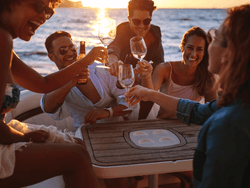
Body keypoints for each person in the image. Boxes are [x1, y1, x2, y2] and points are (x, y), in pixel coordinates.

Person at [125, 4, 250, 188]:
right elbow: (197, 111)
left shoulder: (227, 126)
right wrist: (149, 92)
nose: (208, 45)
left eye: (216, 36)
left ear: (231, 52)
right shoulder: (235, 105)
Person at [0, 0, 107, 187]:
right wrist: (20, 137)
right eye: (41, 7)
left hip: (3, 132)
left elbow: (43, 84)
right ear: (11, 2)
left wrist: (84, 62)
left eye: (49, 12)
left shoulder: (5, 42)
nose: (44, 17)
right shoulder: (2, 39)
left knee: (76, 143)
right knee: (77, 157)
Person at [41, 30, 138, 128]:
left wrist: (108, 112)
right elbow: (48, 108)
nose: (70, 53)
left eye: (72, 48)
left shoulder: (101, 69)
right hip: (84, 133)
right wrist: (71, 81)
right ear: (51, 57)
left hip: (116, 129)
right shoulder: (56, 81)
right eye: (63, 50)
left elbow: (131, 103)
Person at [135, 26, 217, 119]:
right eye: (190, 47)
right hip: (163, 124)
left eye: (199, 49)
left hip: (190, 126)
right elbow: (148, 97)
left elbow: (212, 114)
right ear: (183, 47)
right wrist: (146, 75)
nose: (193, 54)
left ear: (204, 52)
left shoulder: (207, 76)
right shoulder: (164, 69)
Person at [107, 0, 164, 120]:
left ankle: (141, 121)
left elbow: (159, 62)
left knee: (148, 82)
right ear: (129, 18)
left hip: (144, 77)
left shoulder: (155, 32)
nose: (142, 26)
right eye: (137, 21)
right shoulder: (122, 29)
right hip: (123, 79)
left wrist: (147, 70)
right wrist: (112, 59)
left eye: (146, 21)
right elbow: (114, 46)